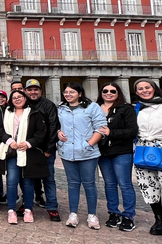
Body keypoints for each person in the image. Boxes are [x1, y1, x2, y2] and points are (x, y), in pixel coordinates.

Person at [56, 82, 107, 229]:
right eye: (66, 92)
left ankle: (92, 215)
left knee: (89, 184)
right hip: (67, 151)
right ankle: (73, 214)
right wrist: (58, 132)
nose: (68, 94)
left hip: (87, 153)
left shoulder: (92, 107)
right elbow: (56, 125)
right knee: (72, 183)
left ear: (79, 93)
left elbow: (101, 128)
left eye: (72, 92)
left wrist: (89, 144)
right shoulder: (61, 108)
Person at [0, 90, 48, 225]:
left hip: (28, 152)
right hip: (11, 151)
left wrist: (29, 143)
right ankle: (11, 209)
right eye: (14, 98)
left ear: (25, 98)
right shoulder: (5, 112)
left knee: (28, 182)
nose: (17, 99)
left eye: (20, 97)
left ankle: (28, 209)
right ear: (11, 100)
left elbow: (41, 132)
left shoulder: (34, 112)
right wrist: (9, 140)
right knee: (11, 181)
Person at [96, 82, 138, 232]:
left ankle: (128, 215)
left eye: (113, 91)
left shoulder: (126, 108)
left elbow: (132, 131)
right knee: (109, 184)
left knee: (125, 184)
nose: (109, 93)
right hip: (103, 152)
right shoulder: (95, 108)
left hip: (122, 151)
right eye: (105, 91)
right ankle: (113, 212)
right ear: (101, 93)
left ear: (118, 93)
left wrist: (111, 133)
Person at [24, 79, 61, 222]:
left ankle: (52, 207)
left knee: (49, 179)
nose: (33, 92)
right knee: (28, 179)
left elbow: (53, 127)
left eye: (36, 89)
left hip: (44, 149)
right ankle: (27, 205)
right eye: (30, 89)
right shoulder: (23, 103)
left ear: (40, 90)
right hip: (28, 148)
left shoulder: (48, 105)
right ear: (25, 91)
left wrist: (49, 148)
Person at [133, 78, 162, 235]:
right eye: (140, 88)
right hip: (142, 149)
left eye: (147, 87)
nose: (144, 90)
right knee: (149, 186)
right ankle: (159, 219)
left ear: (154, 88)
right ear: (136, 92)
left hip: (161, 146)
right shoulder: (137, 109)